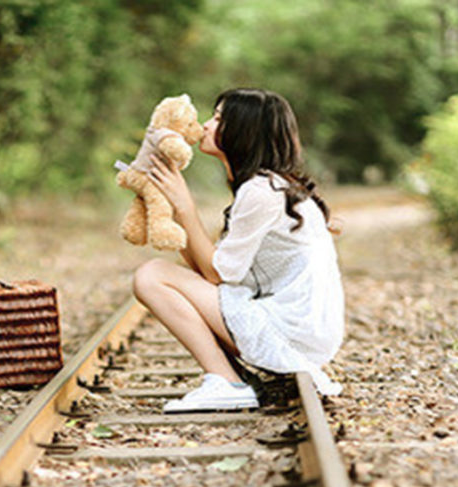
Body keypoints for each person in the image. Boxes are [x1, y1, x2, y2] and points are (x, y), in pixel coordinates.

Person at [132, 87, 344, 413]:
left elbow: (216, 274)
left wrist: (185, 207)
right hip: (301, 329)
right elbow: (210, 269)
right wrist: (175, 209)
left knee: (151, 275)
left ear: (243, 131)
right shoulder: (270, 186)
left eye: (217, 118)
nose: (205, 125)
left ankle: (226, 382)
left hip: (292, 331)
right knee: (161, 276)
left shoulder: (263, 191)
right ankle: (232, 379)